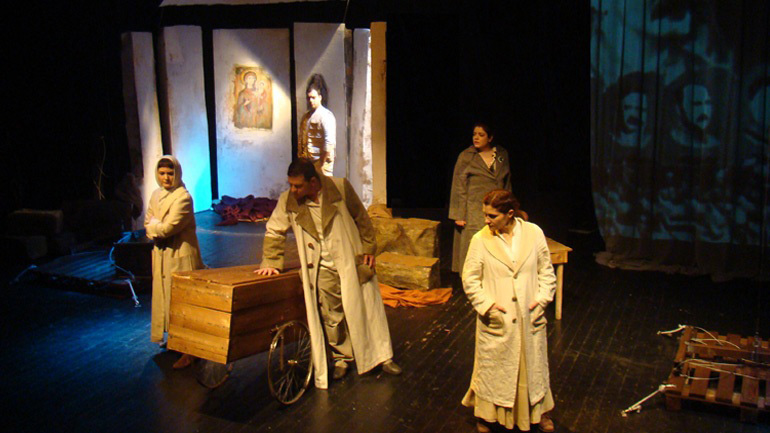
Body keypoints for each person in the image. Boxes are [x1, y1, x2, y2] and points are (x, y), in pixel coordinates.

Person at [256, 158, 401, 389]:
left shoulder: (339, 188)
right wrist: (272, 261)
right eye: (290, 185)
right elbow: (274, 230)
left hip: (351, 261)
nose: (293, 190)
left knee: (367, 309)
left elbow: (361, 218)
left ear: (313, 182)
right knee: (332, 316)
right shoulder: (289, 200)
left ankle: (382, 356)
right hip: (320, 267)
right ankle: (342, 357)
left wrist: (368, 248)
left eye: (298, 186)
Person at [461, 189, 556, 433]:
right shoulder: (481, 240)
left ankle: (538, 413)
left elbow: (546, 271)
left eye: (492, 216)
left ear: (510, 213)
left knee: (533, 369)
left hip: (528, 317)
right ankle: (488, 416)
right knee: (495, 370)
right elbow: (470, 279)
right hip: (499, 319)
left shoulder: (533, 233)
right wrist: (488, 306)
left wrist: (542, 300)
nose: (486, 220)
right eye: (485, 214)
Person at [145, 155, 204, 369]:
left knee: (183, 302)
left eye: (170, 173)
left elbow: (168, 228)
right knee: (167, 299)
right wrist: (155, 226)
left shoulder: (183, 198)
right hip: (162, 255)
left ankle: (191, 350)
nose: (166, 178)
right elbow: (147, 222)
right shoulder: (156, 195)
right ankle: (176, 340)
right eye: (162, 173)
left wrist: (155, 226)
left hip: (180, 255)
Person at [449, 122, 512, 273]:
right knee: (473, 244)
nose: (476, 138)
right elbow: (458, 185)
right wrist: (459, 214)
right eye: (474, 134)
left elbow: (507, 181)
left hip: (497, 208)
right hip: (473, 209)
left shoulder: (501, 155)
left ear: (490, 138)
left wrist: (510, 207)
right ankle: (470, 278)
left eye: (481, 135)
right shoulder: (467, 156)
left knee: (495, 243)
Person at [298, 74, 336, 176]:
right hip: (308, 163)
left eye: (313, 98)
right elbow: (302, 139)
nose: (311, 100)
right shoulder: (306, 116)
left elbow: (329, 142)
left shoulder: (326, 115)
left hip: (322, 164)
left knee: (323, 185)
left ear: (320, 97)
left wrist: (321, 163)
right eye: (309, 98)